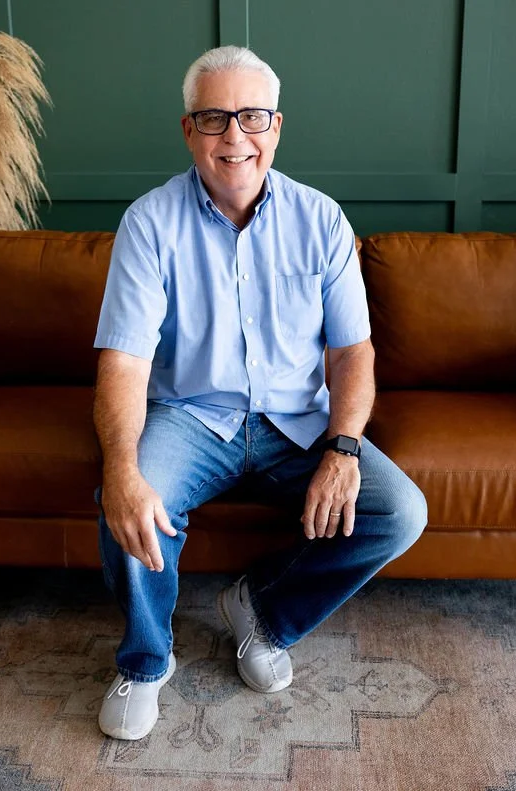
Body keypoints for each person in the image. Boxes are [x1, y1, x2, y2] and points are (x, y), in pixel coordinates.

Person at [92, 45, 427, 741]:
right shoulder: (149, 223)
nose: (235, 137)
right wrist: (120, 466)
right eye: (215, 118)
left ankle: (262, 611)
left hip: (297, 422)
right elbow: (124, 360)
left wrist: (344, 444)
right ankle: (147, 660)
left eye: (251, 117)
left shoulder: (322, 220)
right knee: (127, 494)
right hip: (191, 415)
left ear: (277, 126)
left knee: (399, 511)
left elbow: (352, 350)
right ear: (189, 130)